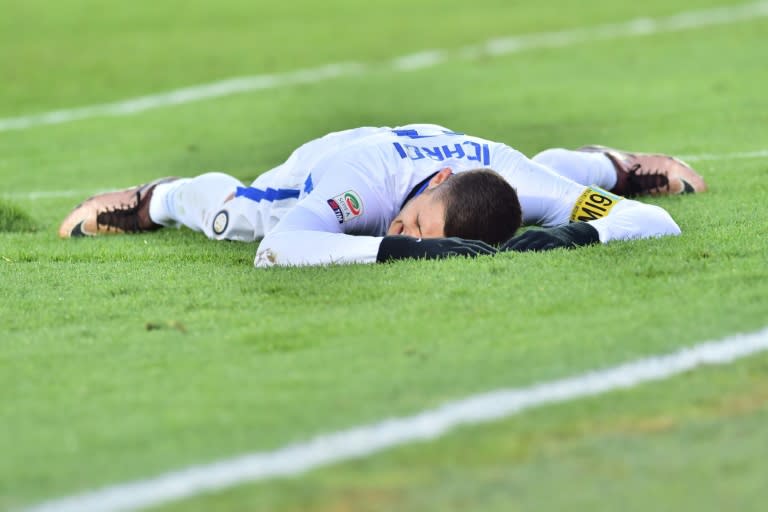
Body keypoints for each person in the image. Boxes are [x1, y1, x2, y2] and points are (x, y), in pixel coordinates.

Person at [58, 124, 707, 267]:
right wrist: (402, 247)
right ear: (436, 189)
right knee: (240, 220)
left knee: (563, 180)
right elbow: (279, 250)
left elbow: (651, 223)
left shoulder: (523, 185)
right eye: (419, 223)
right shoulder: (365, 188)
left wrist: (566, 231)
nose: (405, 227)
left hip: (481, 162)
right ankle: (159, 197)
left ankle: (608, 163)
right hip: (334, 160)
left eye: (423, 232)